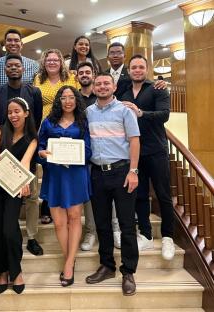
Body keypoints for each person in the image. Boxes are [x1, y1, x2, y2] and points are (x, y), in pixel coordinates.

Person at [86, 73, 140, 296]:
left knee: (127, 225)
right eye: (98, 83)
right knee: (102, 223)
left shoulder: (125, 111)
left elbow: (135, 140)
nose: (101, 86)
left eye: (106, 83)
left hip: (122, 172)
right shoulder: (88, 112)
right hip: (97, 173)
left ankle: (128, 271)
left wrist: (133, 171)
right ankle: (107, 265)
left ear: (114, 86)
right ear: (94, 87)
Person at [0, 54, 43, 256]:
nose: (13, 68)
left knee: (31, 198)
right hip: (4, 155)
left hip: (28, 145)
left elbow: (36, 119)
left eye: (17, 66)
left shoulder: (33, 91)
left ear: (23, 69)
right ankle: (9, 236)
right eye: (9, 66)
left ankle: (32, 237)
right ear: (4, 69)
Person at [121, 55, 175, 260]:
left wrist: (141, 113)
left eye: (141, 67)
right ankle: (145, 234)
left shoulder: (158, 88)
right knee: (140, 195)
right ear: (129, 69)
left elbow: (164, 115)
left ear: (147, 69)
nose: (137, 70)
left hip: (156, 150)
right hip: (134, 152)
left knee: (163, 195)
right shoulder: (123, 90)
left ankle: (168, 237)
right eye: (133, 67)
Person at [38, 86, 91, 287]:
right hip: (55, 175)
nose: (67, 101)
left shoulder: (82, 121)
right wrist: (42, 154)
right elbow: (40, 146)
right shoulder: (48, 121)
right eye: (63, 97)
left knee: (74, 217)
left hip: (75, 174)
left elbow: (88, 149)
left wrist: (76, 157)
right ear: (58, 101)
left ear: (76, 100)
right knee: (59, 222)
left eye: (71, 97)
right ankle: (69, 256)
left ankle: (68, 263)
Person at [0, 97, 38, 294]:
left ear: (26, 113)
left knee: (9, 229)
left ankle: (16, 271)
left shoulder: (32, 138)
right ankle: (3, 272)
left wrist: (24, 182)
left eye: (17, 111)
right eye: (10, 112)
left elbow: (25, 162)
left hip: (14, 187)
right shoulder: (0, 130)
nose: (13, 115)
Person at [34, 48, 79, 224]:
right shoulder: (38, 79)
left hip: (69, 124)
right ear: (44, 63)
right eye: (48, 60)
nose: (52, 62)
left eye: (55, 60)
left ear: (61, 62)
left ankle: (69, 204)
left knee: (68, 165)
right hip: (46, 126)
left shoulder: (71, 78)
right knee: (49, 166)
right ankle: (48, 205)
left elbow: (77, 100)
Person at [75, 62, 96, 251]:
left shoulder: (104, 96)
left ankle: (115, 229)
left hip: (106, 154)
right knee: (89, 197)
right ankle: (90, 231)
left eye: (87, 72)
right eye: (81, 73)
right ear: (77, 77)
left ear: (94, 75)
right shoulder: (75, 99)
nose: (84, 75)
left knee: (109, 197)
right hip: (83, 155)